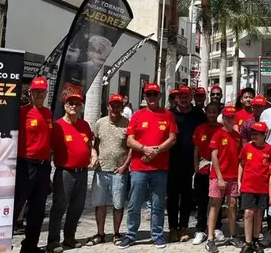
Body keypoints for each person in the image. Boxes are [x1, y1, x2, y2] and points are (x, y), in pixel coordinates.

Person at [119, 83, 178, 249]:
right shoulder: (137, 115)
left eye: (155, 94)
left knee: (158, 205)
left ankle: (157, 235)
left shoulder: (168, 115)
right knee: (134, 204)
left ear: (160, 96)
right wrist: (145, 149)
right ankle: (130, 235)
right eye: (148, 94)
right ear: (144, 97)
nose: (152, 97)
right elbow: (130, 140)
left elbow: (172, 138)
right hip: (139, 168)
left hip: (160, 168)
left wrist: (156, 151)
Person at [47, 92, 92, 252]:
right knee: (59, 207)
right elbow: (49, 150)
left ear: (81, 107)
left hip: (82, 172)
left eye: (77, 103)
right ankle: (53, 241)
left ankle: (69, 238)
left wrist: (92, 155)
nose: (74, 106)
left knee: (77, 207)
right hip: (65, 172)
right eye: (70, 103)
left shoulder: (84, 125)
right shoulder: (58, 126)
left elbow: (89, 144)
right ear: (65, 105)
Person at [15, 76, 53, 253]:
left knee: (37, 209)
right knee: (17, 205)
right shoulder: (22, 112)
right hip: (26, 164)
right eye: (36, 91)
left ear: (46, 93)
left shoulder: (48, 113)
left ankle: (30, 247)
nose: (39, 94)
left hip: (43, 166)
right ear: (30, 92)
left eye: (42, 91)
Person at [87, 93, 130, 247]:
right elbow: (94, 144)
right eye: (113, 105)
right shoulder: (99, 123)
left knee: (118, 205)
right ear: (108, 106)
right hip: (101, 170)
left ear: (122, 107)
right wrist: (94, 156)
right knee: (100, 204)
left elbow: (131, 148)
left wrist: (125, 166)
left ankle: (117, 233)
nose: (115, 108)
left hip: (119, 171)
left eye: (118, 105)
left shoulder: (127, 124)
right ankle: (100, 233)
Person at [168, 85, 206, 243]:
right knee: (171, 197)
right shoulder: (169, 114)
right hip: (171, 161)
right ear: (176, 98)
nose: (183, 98)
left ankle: (183, 226)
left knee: (187, 197)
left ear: (191, 97)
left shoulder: (198, 113)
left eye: (186, 96)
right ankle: (172, 228)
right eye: (180, 96)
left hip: (191, 162)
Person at [206, 106, 246, 252]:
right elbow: (214, 157)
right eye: (227, 117)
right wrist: (220, 177)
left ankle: (233, 235)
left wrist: (239, 178)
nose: (229, 119)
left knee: (233, 205)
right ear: (223, 118)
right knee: (215, 205)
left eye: (232, 117)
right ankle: (210, 238)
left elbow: (241, 157)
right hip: (218, 177)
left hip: (233, 176)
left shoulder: (237, 136)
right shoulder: (217, 134)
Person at [239, 121, 271, 253]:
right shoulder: (247, 147)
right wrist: (239, 181)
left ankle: (255, 240)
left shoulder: (270, 150)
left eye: (257, 134)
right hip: (248, 185)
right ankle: (248, 242)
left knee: (259, 214)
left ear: (264, 135)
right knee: (248, 213)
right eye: (252, 133)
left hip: (263, 187)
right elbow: (241, 164)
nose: (254, 136)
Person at [192, 102, 227, 246]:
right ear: (206, 113)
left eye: (214, 112)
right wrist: (195, 169)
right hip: (203, 168)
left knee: (217, 201)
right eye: (209, 112)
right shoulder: (200, 129)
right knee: (201, 201)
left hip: (219, 170)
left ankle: (217, 228)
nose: (212, 115)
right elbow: (196, 151)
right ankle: (200, 229)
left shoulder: (222, 130)